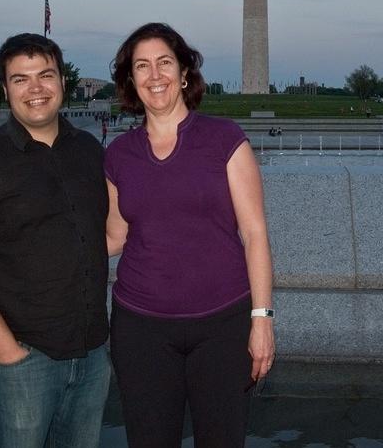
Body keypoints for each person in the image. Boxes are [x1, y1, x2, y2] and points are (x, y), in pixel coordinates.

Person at [104, 22, 275, 447]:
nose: (154, 75)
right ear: (131, 80)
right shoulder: (118, 155)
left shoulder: (225, 140)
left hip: (222, 324)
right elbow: (114, 236)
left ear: (184, 73)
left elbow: (254, 234)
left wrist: (262, 320)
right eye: (141, 66)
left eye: (164, 62)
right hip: (140, 328)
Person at [0, 33, 110, 447]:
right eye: (21, 79)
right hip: (24, 357)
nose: (36, 88)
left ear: (62, 82)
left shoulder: (89, 149)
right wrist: (7, 351)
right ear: (5, 89)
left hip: (91, 351)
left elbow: (100, 233)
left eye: (46, 75)